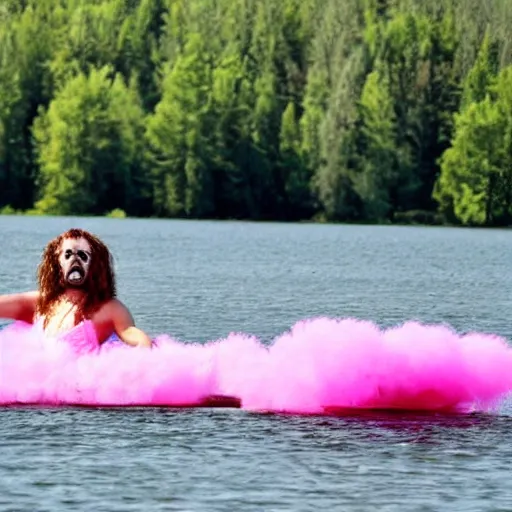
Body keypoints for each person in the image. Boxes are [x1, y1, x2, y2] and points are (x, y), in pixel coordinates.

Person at [0, 228, 152, 348]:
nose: (75, 260)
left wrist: (146, 349)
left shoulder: (109, 308)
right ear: (57, 264)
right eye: (68, 255)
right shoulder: (40, 302)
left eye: (82, 255)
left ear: (94, 265)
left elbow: (130, 332)